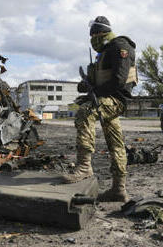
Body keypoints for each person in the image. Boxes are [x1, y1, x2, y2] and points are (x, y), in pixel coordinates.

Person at [61, 16, 138, 203]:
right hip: (106, 99)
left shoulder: (120, 46)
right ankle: (119, 190)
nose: (93, 38)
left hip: (116, 100)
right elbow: (103, 78)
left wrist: (92, 94)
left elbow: (119, 81)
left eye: (95, 34)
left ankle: (84, 167)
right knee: (116, 144)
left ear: (102, 32)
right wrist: (86, 85)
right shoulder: (104, 52)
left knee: (85, 112)